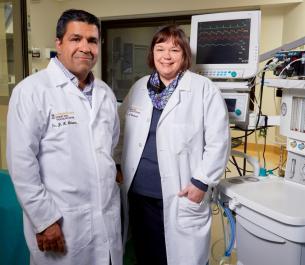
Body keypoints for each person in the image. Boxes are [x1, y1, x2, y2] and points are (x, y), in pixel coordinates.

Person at [6, 9, 122, 265]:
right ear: (59, 43)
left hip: (105, 219)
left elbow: (109, 147)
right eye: (75, 39)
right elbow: (22, 165)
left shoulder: (104, 93)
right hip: (61, 222)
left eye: (92, 40)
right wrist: (44, 220)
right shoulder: (32, 91)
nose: (85, 47)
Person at [116, 25, 230, 265]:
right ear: (152, 53)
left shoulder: (203, 89)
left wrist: (202, 181)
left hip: (181, 192)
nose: (166, 56)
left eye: (174, 50)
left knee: (179, 257)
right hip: (138, 193)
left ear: (184, 55)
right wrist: (117, 164)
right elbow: (120, 130)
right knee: (145, 253)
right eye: (160, 48)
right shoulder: (140, 87)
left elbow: (219, 141)